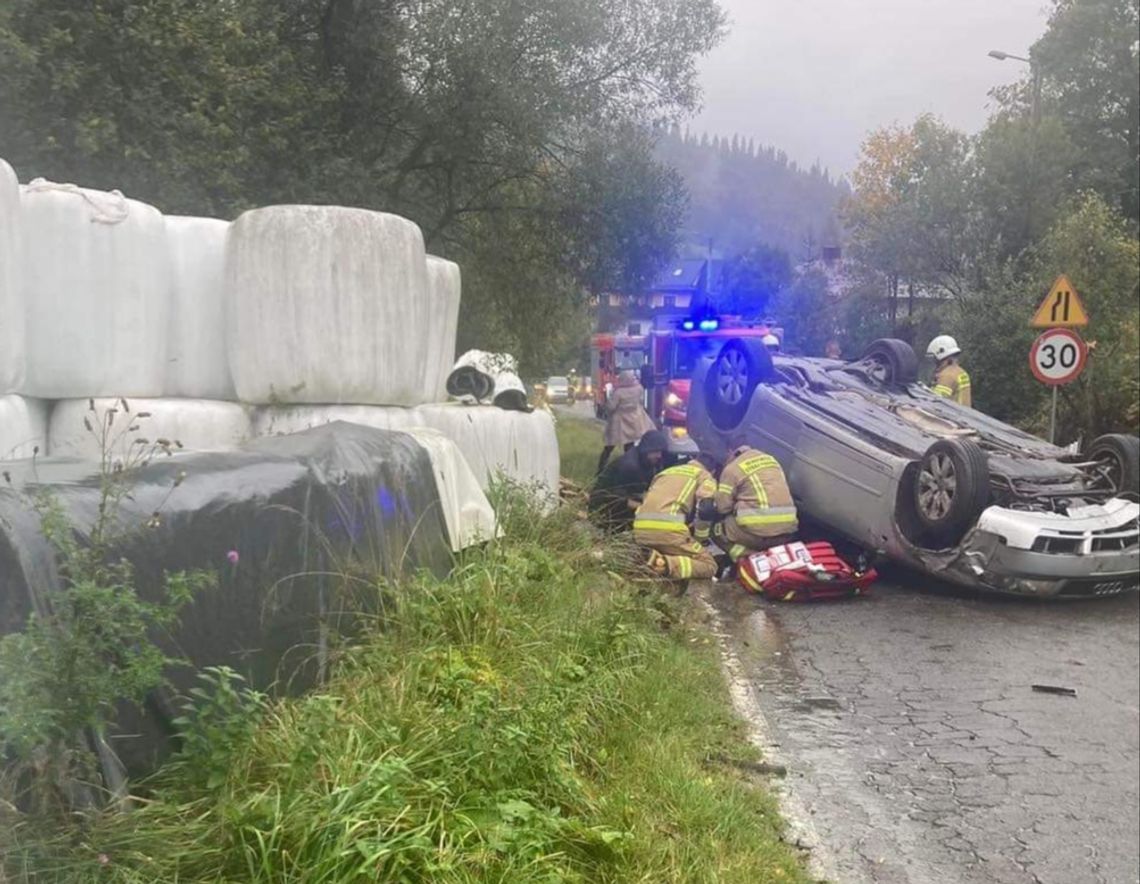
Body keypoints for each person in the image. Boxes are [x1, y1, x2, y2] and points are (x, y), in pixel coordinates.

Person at [709, 444, 799, 564]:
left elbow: (723, 507)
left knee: (717, 530)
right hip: (787, 532)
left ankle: (750, 560)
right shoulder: (771, 460)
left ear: (731, 452)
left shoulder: (732, 469)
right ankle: (773, 558)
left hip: (756, 533)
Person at [633, 456, 718, 581]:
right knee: (709, 565)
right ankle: (662, 564)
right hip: (669, 529)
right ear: (713, 471)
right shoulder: (705, 476)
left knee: (668, 546)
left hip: (640, 528)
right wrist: (701, 539)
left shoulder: (665, 472)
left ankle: (643, 559)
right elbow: (705, 509)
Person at [588, 430, 667, 534]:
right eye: (656, 451)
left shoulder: (648, 463)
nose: (659, 456)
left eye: (661, 452)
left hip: (626, 500)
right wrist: (643, 508)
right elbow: (616, 498)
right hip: (606, 508)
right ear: (647, 449)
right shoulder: (629, 466)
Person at [597, 369, 655, 474]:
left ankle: (600, 469)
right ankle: (630, 468)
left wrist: (605, 408)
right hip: (634, 418)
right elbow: (641, 401)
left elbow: (611, 407)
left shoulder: (618, 392)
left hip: (619, 421)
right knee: (629, 446)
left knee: (609, 446)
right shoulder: (639, 388)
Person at [927, 335, 972, 407]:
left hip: (952, 416)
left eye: (934, 359)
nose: (934, 363)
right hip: (964, 416)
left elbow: (935, 403)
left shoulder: (947, 376)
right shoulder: (960, 372)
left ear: (941, 355)